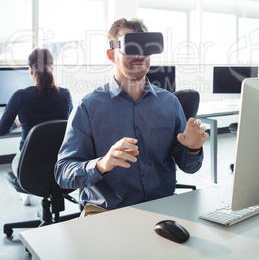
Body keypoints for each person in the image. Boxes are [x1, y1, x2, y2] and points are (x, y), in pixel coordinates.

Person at [55, 18, 208, 216]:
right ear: (111, 55)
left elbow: (190, 167)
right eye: (130, 46)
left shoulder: (169, 103)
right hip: (108, 213)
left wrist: (193, 150)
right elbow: (63, 172)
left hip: (163, 209)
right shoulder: (88, 107)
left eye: (146, 46)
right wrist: (102, 164)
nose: (140, 54)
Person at [0, 48, 73, 205]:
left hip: (29, 165)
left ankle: (27, 193)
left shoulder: (20, 96)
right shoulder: (65, 94)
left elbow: (1, 130)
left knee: (18, 162)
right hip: (62, 162)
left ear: (30, 70)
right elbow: (72, 127)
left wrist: (15, 124)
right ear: (52, 69)